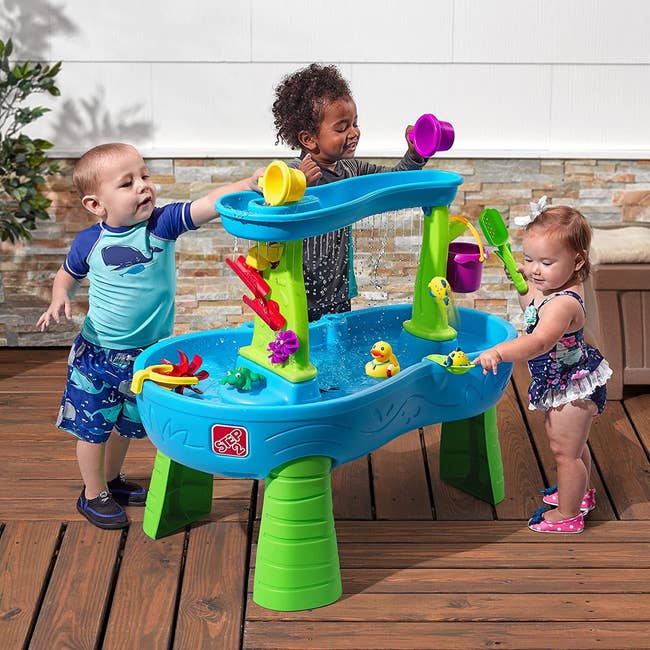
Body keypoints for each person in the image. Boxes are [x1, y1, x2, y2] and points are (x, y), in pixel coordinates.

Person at [36, 142, 261, 529]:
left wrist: (248, 182)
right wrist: (59, 298)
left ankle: (111, 480)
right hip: (97, 356)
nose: (143, 187)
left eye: (145, 176)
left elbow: (207, 203)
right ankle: (92, 495)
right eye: (127, 183)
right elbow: (67, 274)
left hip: (146, 356)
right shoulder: (89, 242)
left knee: (125, 424)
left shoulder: (161, 224)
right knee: (92, 428)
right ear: (96, 204)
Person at [473, 199, 612, 534]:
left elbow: (538, 341)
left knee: (564, 452)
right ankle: (578, 495)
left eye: (546, 262)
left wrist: (499, 351)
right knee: (573, 448)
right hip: (563, 380)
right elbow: (534, 307)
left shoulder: (565, 303)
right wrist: (525, 282)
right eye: (529, 259)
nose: (535, 269)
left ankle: (568, 515)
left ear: (577, 261)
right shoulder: (554, 286)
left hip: (571, 386)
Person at [272, 63, 428, 322]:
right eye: (341, 128)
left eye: (354, 123)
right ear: (309, 139)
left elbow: (393, 180)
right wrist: (300, 186)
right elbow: (269, 207)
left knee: (334, 351)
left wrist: (415, 154)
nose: (354, 132)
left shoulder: (351, 169)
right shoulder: (291, 173)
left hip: (337, 291)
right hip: (295, 292)